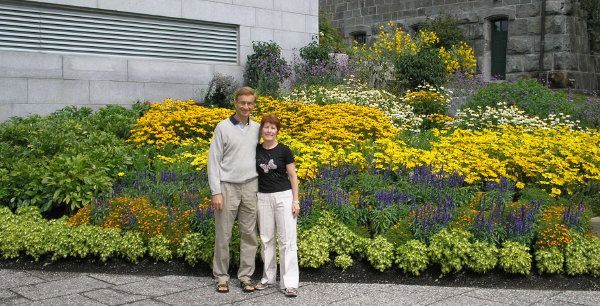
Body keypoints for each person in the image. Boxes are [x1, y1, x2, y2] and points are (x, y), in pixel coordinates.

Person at [207, 86, 260, 293]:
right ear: (235, 103)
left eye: (250, 103)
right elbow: (213, 161)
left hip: (250, 186)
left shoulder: (257, 128)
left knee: (249, 234)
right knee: (224, 234)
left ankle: (245, 276)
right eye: (242, 103)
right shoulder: (222, 127)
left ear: (253, 105)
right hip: (227, 187)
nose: (246, 107)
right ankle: (221, 276)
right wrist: (216, 191)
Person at [253, 114, 300, 297]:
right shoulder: (256, 149)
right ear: (261, 130)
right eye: (266, 127)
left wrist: (295, 200)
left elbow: (293, 176)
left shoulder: (284, 150)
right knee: (266, 239)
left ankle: (289, 283)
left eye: (273, 128)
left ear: (277, 131)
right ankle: (268, 277)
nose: (269, 131)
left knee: (287, 240)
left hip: (283, 197)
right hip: (263, 197)